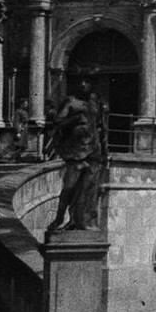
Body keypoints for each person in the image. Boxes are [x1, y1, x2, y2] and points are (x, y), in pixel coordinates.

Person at [46, 79, 104, 232]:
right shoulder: (71, 102)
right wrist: (76, 119)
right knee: (70, 187)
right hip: (76, 151)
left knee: (89, 189)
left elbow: (100, 126)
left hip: (93, 150)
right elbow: (58, 121)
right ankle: (59, 218)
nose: (85, 85)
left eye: (87, 83)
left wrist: (105, 151)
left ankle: (82, 222)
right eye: (82, 82)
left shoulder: (93, 103)